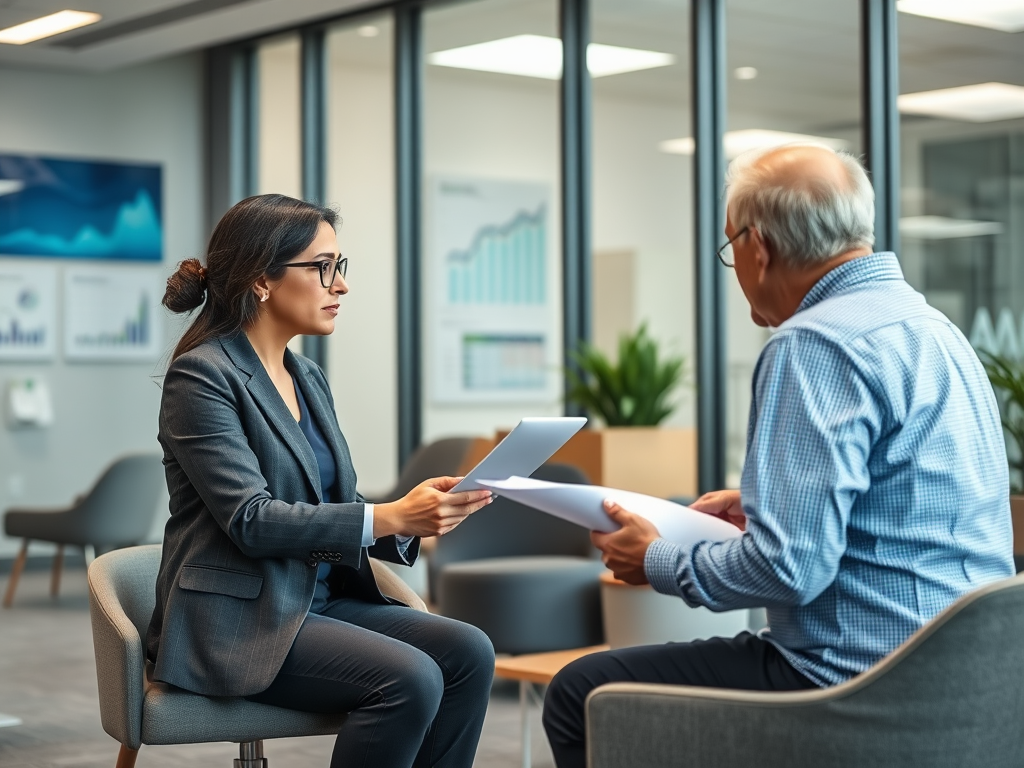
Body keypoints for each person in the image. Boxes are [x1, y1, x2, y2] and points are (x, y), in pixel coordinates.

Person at [542, 145, 1015, 768]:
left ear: (755, 246)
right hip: (977, 683)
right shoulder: (934, 329)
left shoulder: (813, 345)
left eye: (727, 250)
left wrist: (656, 558)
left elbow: (790, 569)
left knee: (583, 691)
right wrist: (768, 504)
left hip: (858, 684)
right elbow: (912, 495)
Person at [147, 194, 496, 768]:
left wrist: (412, 518)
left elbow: (331, 501)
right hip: (242, 620)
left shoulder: (305, 374)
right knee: (408, 678)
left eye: (341, 266)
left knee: (469, 652)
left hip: (320, 599)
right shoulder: (201, 376)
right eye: (323, 268)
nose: (341, 285)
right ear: (262, 279)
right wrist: (390, 515)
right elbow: (251, 520)